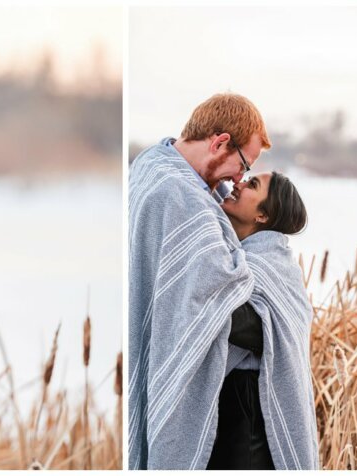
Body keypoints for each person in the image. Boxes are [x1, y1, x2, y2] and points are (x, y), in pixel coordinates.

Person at [127, 93, 270, 469]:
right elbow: (218, 297)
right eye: (243, 165)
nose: (240, 179)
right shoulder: (180, 196)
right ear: (220, 142)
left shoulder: (152, 164)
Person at [208, 172, 319, 469]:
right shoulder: (232, 257)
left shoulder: (274, 267)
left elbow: (257, 328)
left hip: (249, 415)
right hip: (227, 403)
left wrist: (199, 293)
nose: (238, 184)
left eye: (252, 185)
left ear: (262, 215)